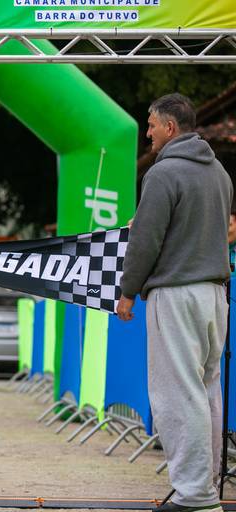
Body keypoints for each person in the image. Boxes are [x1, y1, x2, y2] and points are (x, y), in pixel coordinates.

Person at [117, 93, 232, 512]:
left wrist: (128, 290)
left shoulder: (163, 173)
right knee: (206, 392)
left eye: (151, 125)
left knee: (177, 395)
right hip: (215, 294)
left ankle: (194, 496)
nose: (147, 133)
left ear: (170, 127)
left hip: (176, 293)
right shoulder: (219, 172)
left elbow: (146, 241)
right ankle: (207, 489)